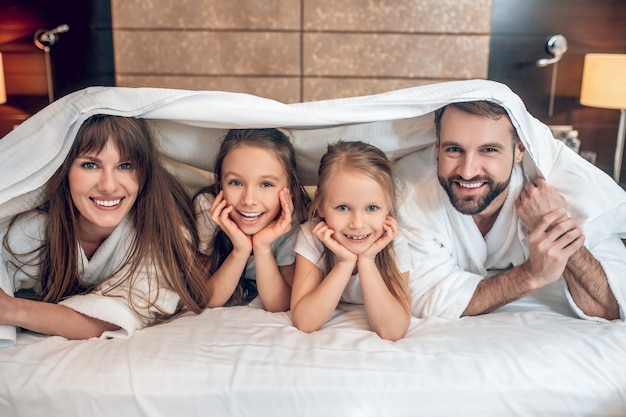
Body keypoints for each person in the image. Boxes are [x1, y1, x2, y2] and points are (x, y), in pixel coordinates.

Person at [397, 100, 626, 321]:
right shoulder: (413, 191)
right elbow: (428, 296)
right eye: (454, 149)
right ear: (437, 148)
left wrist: (553, 224)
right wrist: (532, 275)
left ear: (519, 151)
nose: (467, 171)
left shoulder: (555, 187)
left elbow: (608, 306)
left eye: (488, 150)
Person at [0, 115, 209, 342]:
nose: (108, 186)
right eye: (90, 165)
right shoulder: (31, 230)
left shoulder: (162, 233)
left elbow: (111, 315)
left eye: (125, 165)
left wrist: (14, 310)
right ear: (65, 170)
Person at [290, 141, 412, 341]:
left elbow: (393, 331)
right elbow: (305, 321)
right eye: (343, 208)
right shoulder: (312, 236)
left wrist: (367, 260)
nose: (357, 224)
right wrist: (345, 263)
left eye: (372, 208)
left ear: (388, 207)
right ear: (320, 204)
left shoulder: (394, 244)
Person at [193, 128, 310, 312]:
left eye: (266, 184)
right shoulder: (209, 208)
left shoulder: (293, 220)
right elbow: (206, 299)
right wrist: (241, 250)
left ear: (290, 191)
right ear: (220, 184)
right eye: (236, 182)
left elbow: (279, 305)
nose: (249, 200)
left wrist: (262, 247)